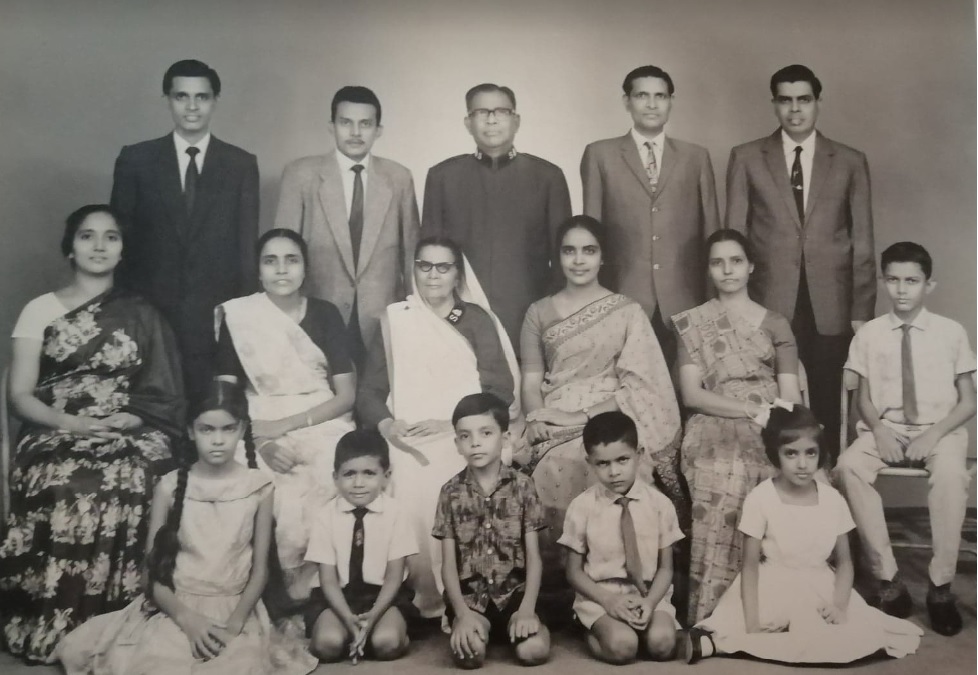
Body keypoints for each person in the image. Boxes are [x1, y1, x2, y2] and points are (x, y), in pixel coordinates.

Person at [0, 205, 184, 664]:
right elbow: (20, 395)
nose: (99, 246)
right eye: (87, 236)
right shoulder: (39, 309)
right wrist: (74, 424)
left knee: (141, 474)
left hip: (129, 425)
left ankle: (121, 627)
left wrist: (132, 420)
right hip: (54, 427)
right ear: (70, 248)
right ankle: (58, 626)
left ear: (123, 250)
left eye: (111, 237)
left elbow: (163, 393)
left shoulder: (142, 313)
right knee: (71, 479)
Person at [57, 379, 317, 675]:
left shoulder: (259, 487)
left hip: (235, 609)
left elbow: (260, 571)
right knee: (159, 665)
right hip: (177, 608)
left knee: (237, 666)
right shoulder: (169, 487)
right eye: (207, 429)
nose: (218, 440)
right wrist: (187, 619)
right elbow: (151, 575)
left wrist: (234, 625)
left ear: (242, 429)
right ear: (191, 431)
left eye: (228, 429)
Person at [356, 236, 520, 618]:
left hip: (465, 430)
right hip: (408, 434)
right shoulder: (396, 320)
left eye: (443, 267)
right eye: (424, 266)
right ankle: (414, 596)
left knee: (460, 468)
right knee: (402, 472)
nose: (433, 275)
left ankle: (466, 596)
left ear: (457, 274)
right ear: (414, 270)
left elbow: (500, 390)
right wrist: (388, 424)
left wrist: (450, 424)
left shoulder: (475, 319)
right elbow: (369, 391)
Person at [681, 404, 922, 664]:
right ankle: (727, 641)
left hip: (820, 586)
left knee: (854, 637)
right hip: (772, 585)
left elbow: (845, 563)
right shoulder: (761, 498)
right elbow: (749, 567)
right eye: (791, 454)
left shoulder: (833, 499)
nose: (803, 464)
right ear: (775, 454)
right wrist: (751, 622)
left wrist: (839, 606)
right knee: (758, 627)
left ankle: (722, 646)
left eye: (810, 453)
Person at [520, 215, 683, 587]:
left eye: (589, 251)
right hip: (552, 411)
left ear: (602, 257)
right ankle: (566, 587)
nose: (579, 260)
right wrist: (537, 418)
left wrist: (576, 416)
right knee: (554, 463)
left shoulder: (626, 311)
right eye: (569, 251)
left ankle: (629, 580)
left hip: (611, 412)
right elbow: (531, 381)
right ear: (557, 257)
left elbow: (641, 385)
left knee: (620, 462)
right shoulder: (538, 312)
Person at [725, 64, 875, 460]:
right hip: (768, 300)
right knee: (774, 401)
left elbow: (863, 241)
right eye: (785, 100)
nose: (795, 109)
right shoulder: (746, 157)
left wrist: (861, 311)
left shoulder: (849, 160)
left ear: (818, 102)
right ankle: (777, 487)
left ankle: (827, 482)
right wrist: (734, 305)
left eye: (804, 100)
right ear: (774, 104)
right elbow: (733, 238)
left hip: (832, 303)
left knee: (827, 400)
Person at [835, 242, 976, 636]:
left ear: (929, 285)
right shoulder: (869, 334)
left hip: (940, 429)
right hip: (887, 428)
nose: (901, 290)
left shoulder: (951, 332)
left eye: (911, 281)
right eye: (893, 280)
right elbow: (862, 399)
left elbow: (969, 402)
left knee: (951, 476)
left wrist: (932, 434)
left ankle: (940, 587)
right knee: (847, 468)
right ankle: (888, 578)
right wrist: (880, 431)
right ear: (883, 282)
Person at [215, 228, 356, 601]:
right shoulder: (239, 316)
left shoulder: (325, 314)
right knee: (265, 481)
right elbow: (225, 398)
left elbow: (346, 396)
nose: (281, 269)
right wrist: (261, 441)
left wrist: (287, 425)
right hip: (256, 416)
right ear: (258, 271)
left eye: (291, 260)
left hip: (321, 416)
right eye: (270, 261)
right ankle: (280, 592)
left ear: (305, 268)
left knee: (333, 468)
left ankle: (319, 587)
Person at [672, 229, 802, 625]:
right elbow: (692, 395)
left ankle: (776, 607)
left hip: (771, 419)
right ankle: (714, 613)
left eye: (736, 261)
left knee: (779, 466)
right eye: (717, 262)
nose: (727, 270)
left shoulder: (776, 323)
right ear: (709, 270)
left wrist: (774, 417)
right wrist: (747, 409)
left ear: (751, 267)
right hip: (712, 418)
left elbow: (791, 395)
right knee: (719, 468)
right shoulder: (692, 323)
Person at [111, 59, 259, 400]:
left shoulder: (240, 164)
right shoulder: (136, 160)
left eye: (201, 97)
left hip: (215, 318)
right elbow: (121, 245)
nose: (192, 107)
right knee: (153, 410)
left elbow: (246, 252)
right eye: (181, 96)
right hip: (149, 314)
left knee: (209, 414)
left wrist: (241, 321)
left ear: (215, 100)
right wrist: (127, 314)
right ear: (167, 99)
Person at [581, 65, 720, 362]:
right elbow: (591, 235)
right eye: (642, 95)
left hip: (686, 298)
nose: (652, 104)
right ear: (626, 101)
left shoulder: (696, 157)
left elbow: (712, 234)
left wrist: (712, 299)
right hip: (622, 295)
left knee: (684, 382)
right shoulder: (600, 154)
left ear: (671, 102)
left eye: (661, 96)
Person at [274, 85, 420, 367]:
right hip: (316, 312)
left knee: (377, 391)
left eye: (365, 124)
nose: (355, 132)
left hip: (382, 316)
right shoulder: (301, 174)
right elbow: (282, 251)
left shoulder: (399, 178)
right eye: (346, 123)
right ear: (331, 127)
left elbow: (410, 252)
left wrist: (413, 314)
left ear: (378, 130)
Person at [422, 83, 572, 349]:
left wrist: (550, 320)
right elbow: (428, 260)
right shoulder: (443, 177)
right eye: (481, 112)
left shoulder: (548, 177)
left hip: (529, 317)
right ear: (468, 123)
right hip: (460, 318)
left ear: (516, 120)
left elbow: (563, 261)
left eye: (501, 111)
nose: (491, 120)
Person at [433, 393, 550, 669]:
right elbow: (447, 565)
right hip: (471, 601)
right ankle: (474, 629)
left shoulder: (523, 486)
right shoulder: (450, 492)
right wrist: (462, 615)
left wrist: (527, 609)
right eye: (465, 436)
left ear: (505, 438)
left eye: (485, 433)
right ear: (457, 444)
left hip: (516, 596)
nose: (475, 443)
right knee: (470, 655)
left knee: (533, 652)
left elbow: (534, 558)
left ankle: (522, 626)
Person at [560, 412, 684, 664]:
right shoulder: (582, 507)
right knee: (623, 647)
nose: (614, 472)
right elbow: (573, 572)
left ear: (639, 454)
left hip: (649, 594)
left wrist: (650, 603)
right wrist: (609, 600)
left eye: (622, 460)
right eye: (602, 464)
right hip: (600, 596)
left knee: (663, 645)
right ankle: (588, 629)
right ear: (589, 462)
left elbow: (666, 569)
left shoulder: (660, 505)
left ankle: (641, 627)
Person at [304, 430, 418, 663]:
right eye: (349, 474)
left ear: (386, 476)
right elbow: (328, 580)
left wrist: (373, 616)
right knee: (327, 645)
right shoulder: (325, 516)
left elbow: (394, 577)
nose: (358, 483)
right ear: (335, 477)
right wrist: (348, 618)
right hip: (338, 598)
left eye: (369, 473)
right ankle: (349, 633)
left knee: (387, 644)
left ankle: (384, 634)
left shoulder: (397, 514)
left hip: (383, 597)